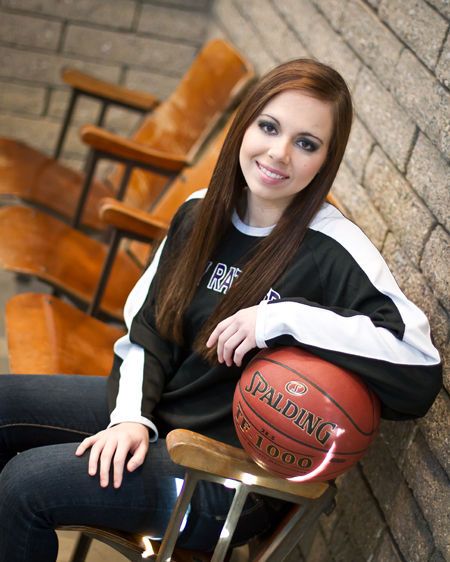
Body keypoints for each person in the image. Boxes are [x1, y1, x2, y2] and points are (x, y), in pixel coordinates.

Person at [0, 58, 442, 562]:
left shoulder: (333, 247)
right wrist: (130, 419)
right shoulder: (200, 210)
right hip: (164, 417)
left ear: (326, 160)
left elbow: (420, 365)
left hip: (228, 480)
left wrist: (279, 320)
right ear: (245, 123)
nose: (279, 153)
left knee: (24, 487)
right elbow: (149, 332)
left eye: (307, 143)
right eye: (269, 127)